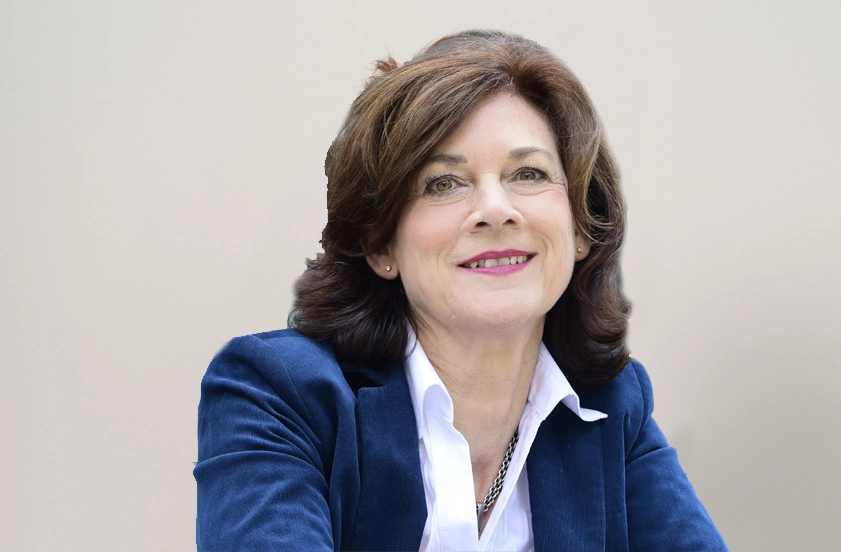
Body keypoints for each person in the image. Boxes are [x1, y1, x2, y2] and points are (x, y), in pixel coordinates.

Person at [195, 30, 727, 551]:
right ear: (380, 245)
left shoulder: (610, 404)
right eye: (443, 183)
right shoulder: (279, 393)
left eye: (528, 173)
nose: (495, 210)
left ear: (582, 227)